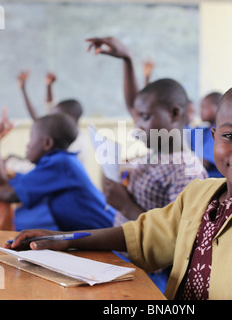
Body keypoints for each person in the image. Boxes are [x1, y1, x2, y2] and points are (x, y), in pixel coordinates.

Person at [8, 13, 232, 300]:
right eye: (230, 136)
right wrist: (65, 240)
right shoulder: (200, 195)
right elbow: (139, 235)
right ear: (213, 138)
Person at [85, 37, 208, 292]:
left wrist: (125, 204)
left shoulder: (187, 170)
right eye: (138, 117)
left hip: (147, 276)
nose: (138, 125)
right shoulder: (157, 152)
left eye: (145, 117)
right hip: (120, 257)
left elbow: (177, 239)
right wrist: (128, 60)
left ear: (174, 114)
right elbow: (136, 105)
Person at [0, 111, 115, 232]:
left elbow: (10, 195)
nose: (27, 145)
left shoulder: (61, 163)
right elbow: (3, 185)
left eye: (31, 139)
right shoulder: (53, 164)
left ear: (47, 143)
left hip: (109, 237)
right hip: (96, 234)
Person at [16, 70, 89, 168]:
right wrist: (48, 86)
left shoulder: (74, 144)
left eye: (56, 115)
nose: (52, 118)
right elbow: (45, 115)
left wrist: (12, 164)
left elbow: (39, 120)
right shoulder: (63, 132)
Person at [188, 92, 223, 177]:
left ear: (217, 108)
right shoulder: (203, 130)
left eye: (204, 107)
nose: (200, 112)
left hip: (212, 181)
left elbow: (204, 162)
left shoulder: (219, 132)